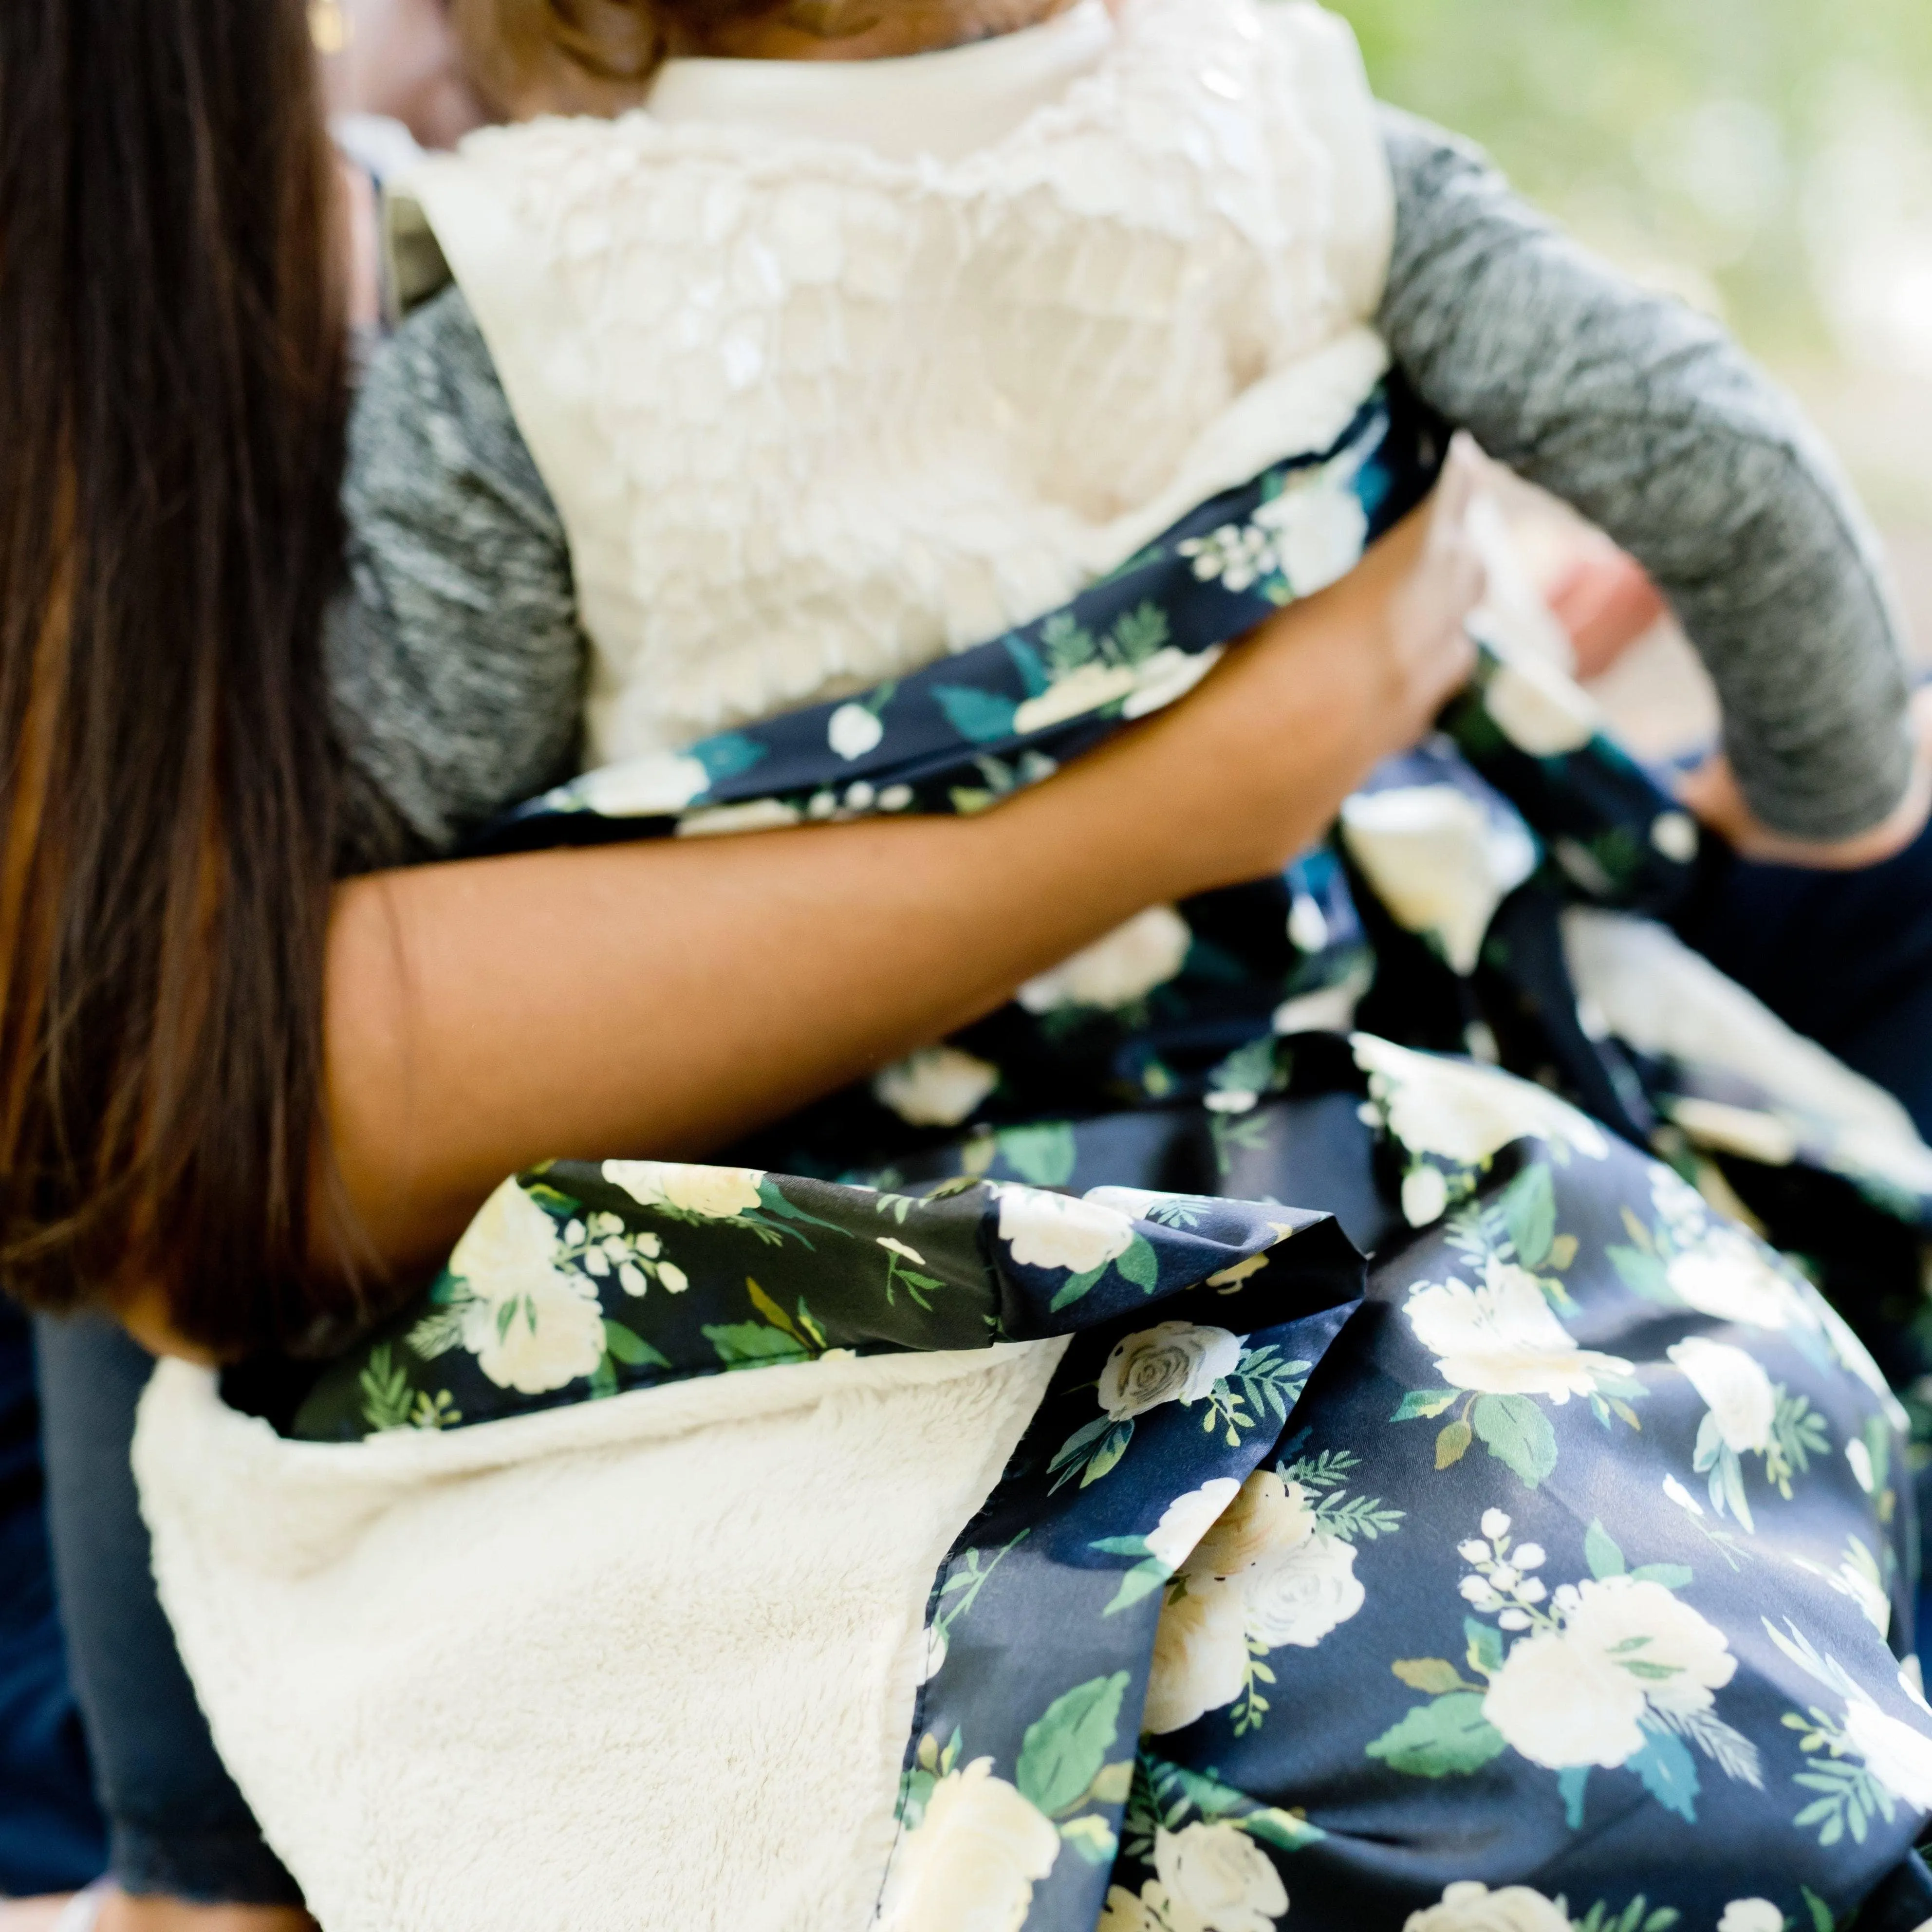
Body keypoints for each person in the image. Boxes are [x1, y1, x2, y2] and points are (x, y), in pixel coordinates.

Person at [5, 1, 1932, 1929]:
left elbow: (329, 851)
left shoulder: (520, 340)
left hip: (812, 1212)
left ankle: (195, 1872)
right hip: (1320, 1099)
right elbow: (1709, 448)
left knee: (165, 1293)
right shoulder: (1295, 135)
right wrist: (1812, 785)